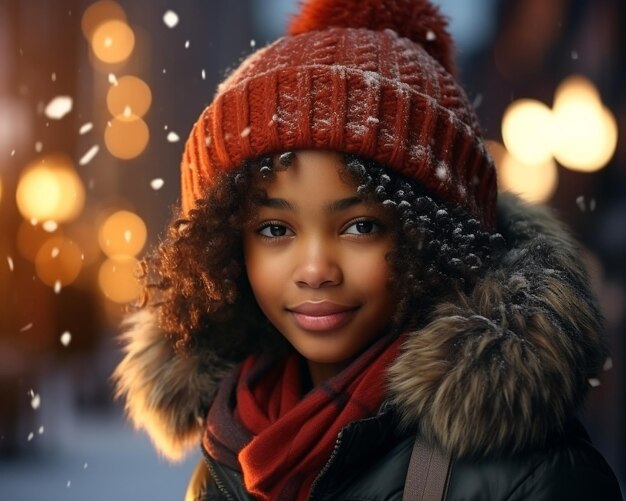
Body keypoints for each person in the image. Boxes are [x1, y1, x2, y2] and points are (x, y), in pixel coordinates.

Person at [112, 0, 623, 499]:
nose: (315, 270)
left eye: (359, 226)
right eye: (274, 230)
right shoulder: (225, 463)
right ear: (224, 249)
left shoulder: (536, 477)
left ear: (434, 241)